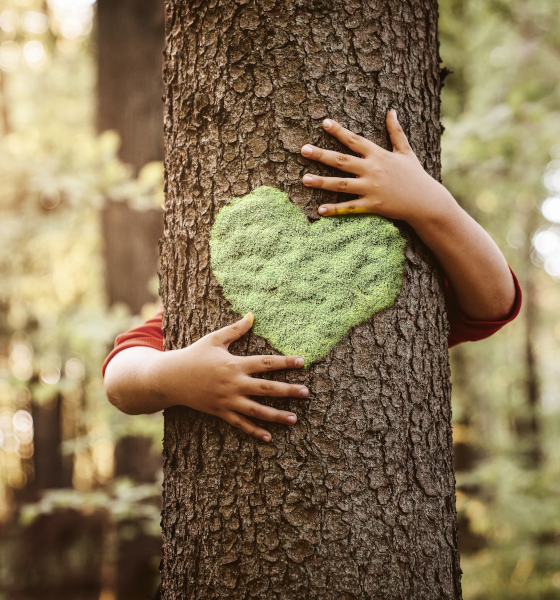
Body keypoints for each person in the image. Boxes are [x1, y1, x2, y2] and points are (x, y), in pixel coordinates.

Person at [103, 111, 521, 443]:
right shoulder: (212, 298)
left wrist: (432, 205)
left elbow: (495, 303)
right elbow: (121, 378)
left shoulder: (413, 279)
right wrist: (175, 377)